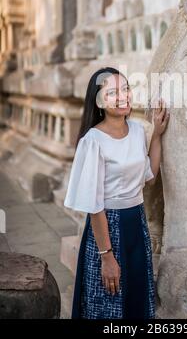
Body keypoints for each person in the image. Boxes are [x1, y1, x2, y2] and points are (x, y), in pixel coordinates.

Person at [64, 66, 169, 319]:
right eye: (112, 93)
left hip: (137, 224)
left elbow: (150, 178)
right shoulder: (93, 141)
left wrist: (156, 135)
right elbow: (95, 205)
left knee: (136, 299)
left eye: (125, 89)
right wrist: (107, 257)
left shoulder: (136, 131)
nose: (122, 96)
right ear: (99, 101)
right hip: (107, 229)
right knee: (108, 304)